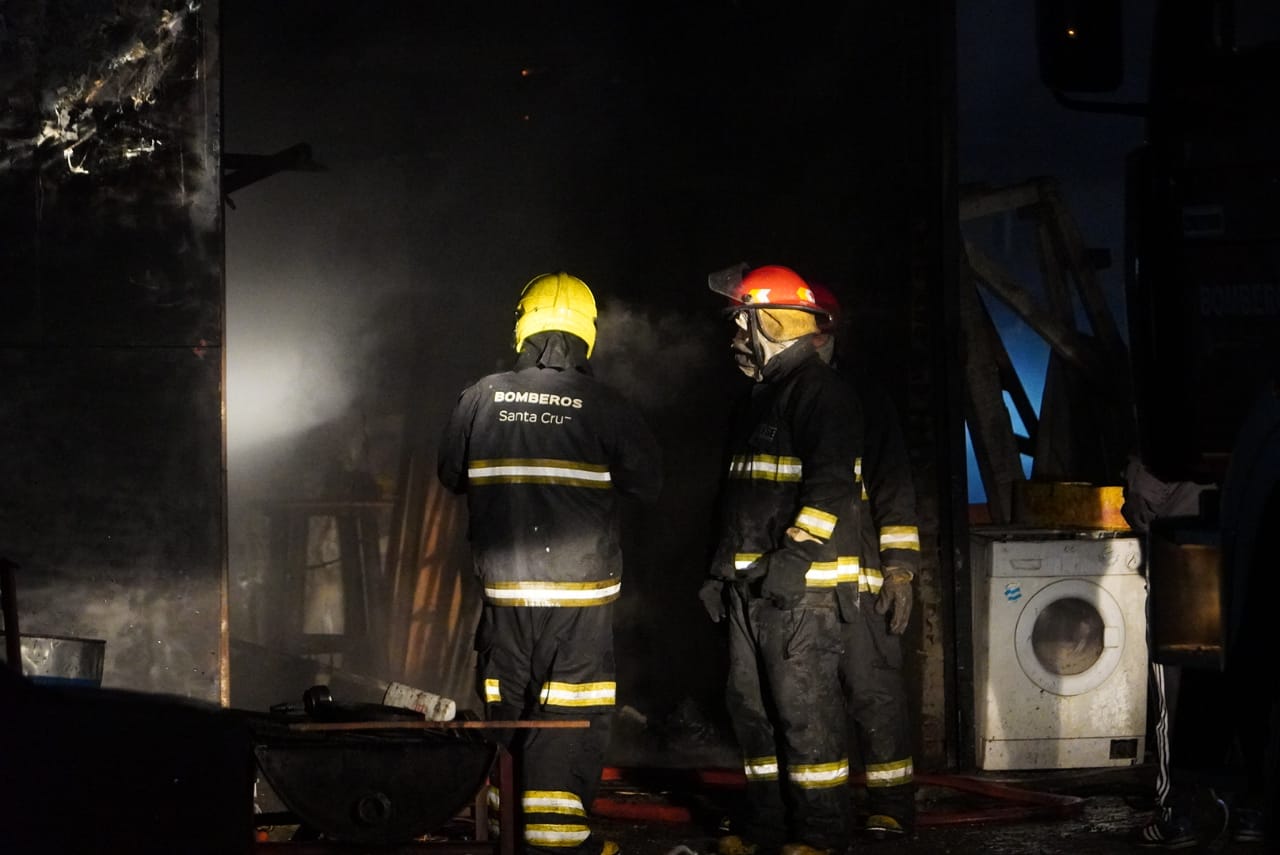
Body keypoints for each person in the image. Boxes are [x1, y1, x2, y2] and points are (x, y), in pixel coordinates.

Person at [438, 272, 662, 855]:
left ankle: (509, 833)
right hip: (581, 596)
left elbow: (450, 476)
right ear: (587, 334)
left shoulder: (481, 396)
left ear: (523, 326)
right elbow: (648, 484)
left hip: (505, 593)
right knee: (570, 710)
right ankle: (559, 842)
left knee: (507, 702)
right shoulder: (606, 405)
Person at [698, 264, 861, 855]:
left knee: (805, 714)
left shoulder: (822, 394)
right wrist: (719, 570)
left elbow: (831, 487)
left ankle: (819, 834)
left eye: (742, 322)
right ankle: (766, 827)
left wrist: (794, 559)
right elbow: (737, 494)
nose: (736, 336)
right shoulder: (757, 400)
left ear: (769, 319)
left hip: (799, 593)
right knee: (752, 712)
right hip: (748, 588)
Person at [810, 283, 920, 840]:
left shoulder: (863, 397)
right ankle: (817, 816)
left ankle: (892, 805)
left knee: (874, 692)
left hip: (859, 581)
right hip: (799, 588)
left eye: (821, 328)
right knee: (810, 703)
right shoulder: (773, 399)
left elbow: (893, 485)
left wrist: (900, 566)